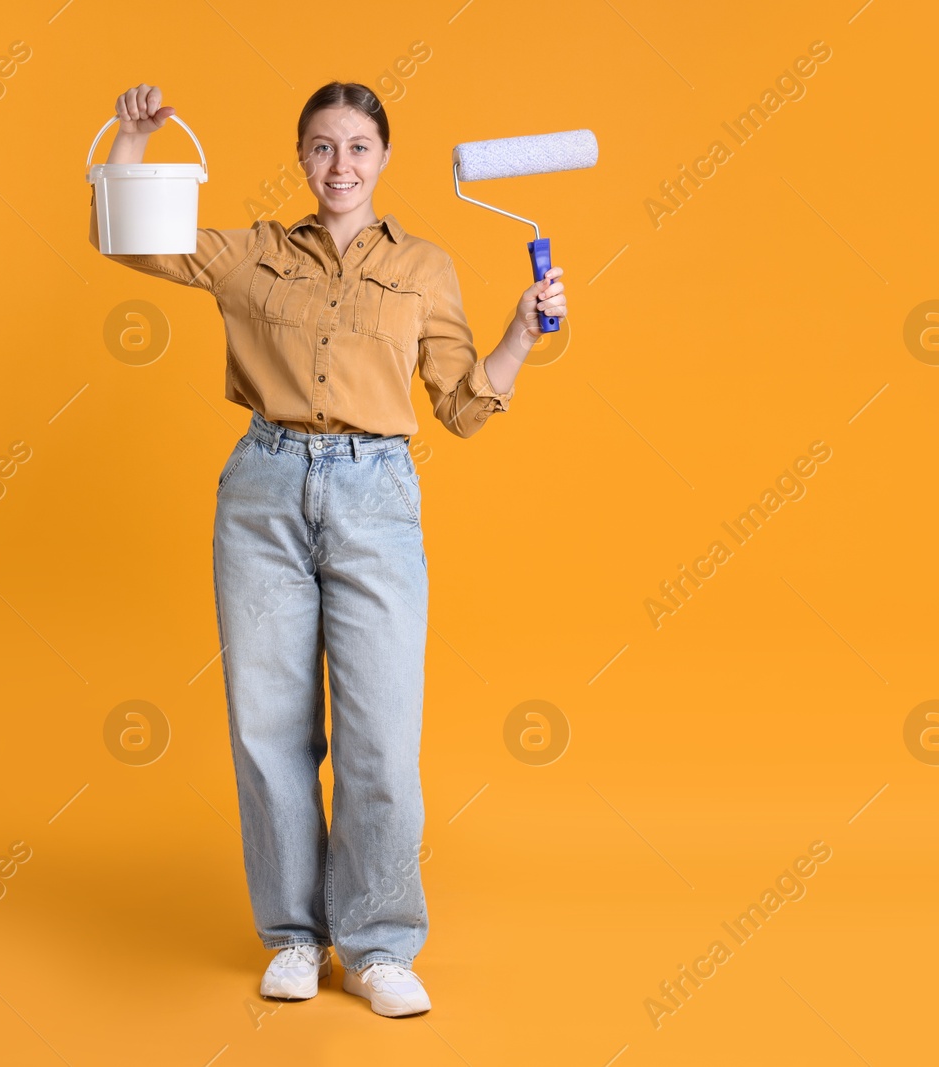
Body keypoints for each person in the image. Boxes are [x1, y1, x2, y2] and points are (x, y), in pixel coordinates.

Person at [89, 81, 566, 1017]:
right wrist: (134, 144)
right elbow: (132, 239)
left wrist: (519, 333)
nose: (338, 166)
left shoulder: (426, 267)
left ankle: (381, 943)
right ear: (300, 158)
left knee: (380, 737)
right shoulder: (253, 251)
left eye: (356, 147)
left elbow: (464, 408)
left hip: (375, 493)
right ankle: (297, 938)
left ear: (384, 158)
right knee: (270, 730)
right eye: (320, 148)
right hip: (263, 490)